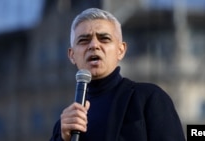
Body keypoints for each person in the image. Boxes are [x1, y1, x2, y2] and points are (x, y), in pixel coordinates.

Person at [50, 8, 186, 141]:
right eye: (84, 40)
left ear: (120, 50)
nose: (94, 45)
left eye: (104, 38)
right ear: (72, 55)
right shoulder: (64, 126)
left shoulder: (148, 99)